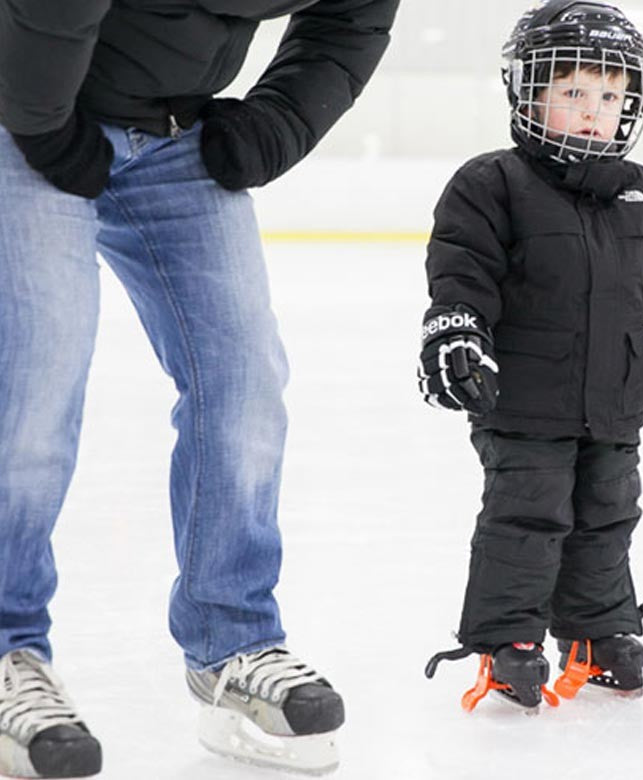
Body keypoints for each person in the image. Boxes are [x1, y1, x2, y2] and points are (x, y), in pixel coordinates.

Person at [0, 0, 399, 775]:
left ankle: (232, 643)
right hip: (21, 101)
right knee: (37, 381)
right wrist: (44, 123)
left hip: (172, 129)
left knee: (245, 381)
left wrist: (280, 121)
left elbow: (353, 18)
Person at [419, 0, 643, 712]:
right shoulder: (492, 184)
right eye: (572, 93)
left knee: (606, 516)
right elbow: (461, 275)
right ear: (530, 93)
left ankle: (596, 632)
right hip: (524, 402)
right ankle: (509, 641)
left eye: (609, 94)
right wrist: (455, 331)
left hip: (616, 403)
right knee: (527, 517)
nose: (594, 110)